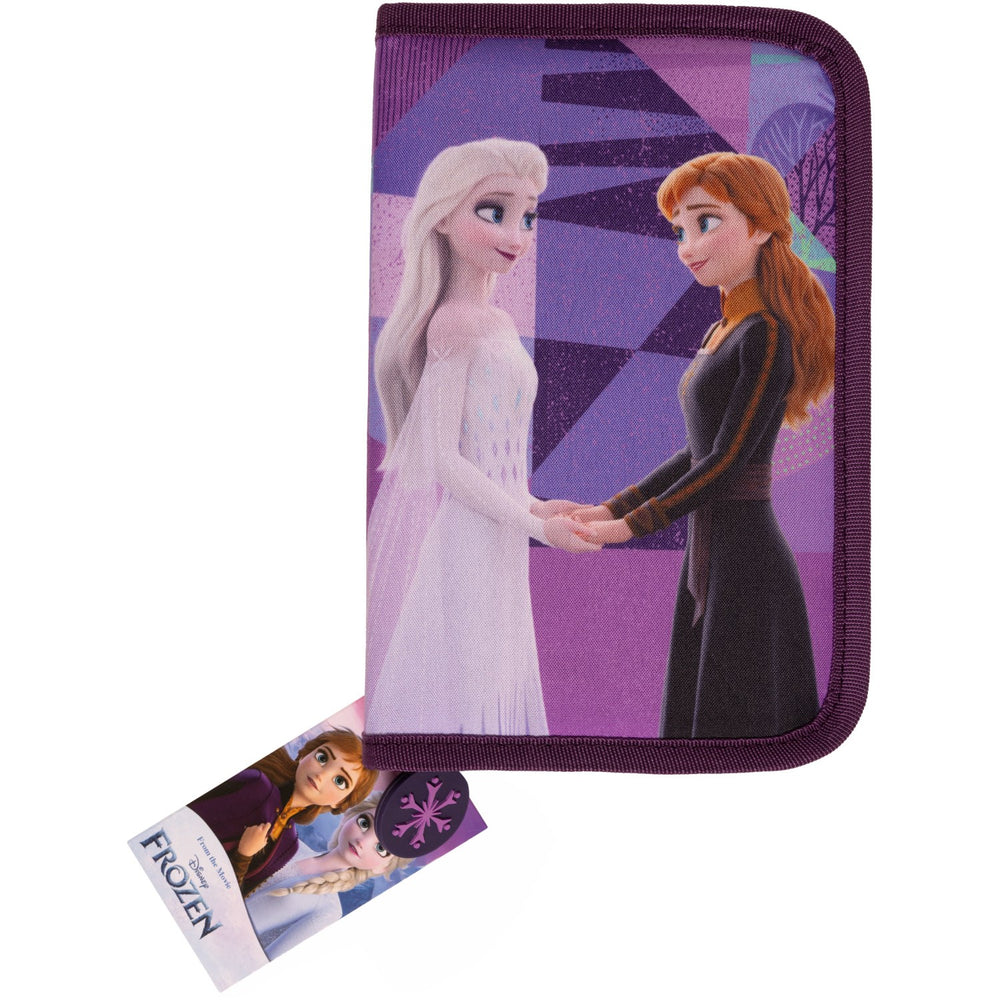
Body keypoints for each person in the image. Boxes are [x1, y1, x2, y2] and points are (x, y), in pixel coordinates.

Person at [574, 152, 835, 739]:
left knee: (737, 713)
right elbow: (699, 453)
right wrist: (613, 508)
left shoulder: (766, 333)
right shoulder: (723, 331)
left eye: (706, 222)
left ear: (761, 225)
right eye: (680, 231)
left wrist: (633, 525)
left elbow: (729, 460)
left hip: (747, 558)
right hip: (712, 550)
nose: (688, 247)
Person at [367, 137, 596, 737]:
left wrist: (536, 506)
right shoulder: (456, 323)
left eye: (528, 217)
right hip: (469, 537)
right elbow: (445, 460)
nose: (516, 235)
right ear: (442, 217)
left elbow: (490, 452)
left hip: (497, 531)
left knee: (487, 676)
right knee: (464, 682)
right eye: (493, 211)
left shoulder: (496, 321)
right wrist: (536, 526)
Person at [188, 729, 378, 895]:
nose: (322, 775)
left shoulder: (288, 844)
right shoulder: (256, 785)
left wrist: (243, 856)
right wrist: (242, 855)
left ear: (340, 803)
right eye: (322, 758)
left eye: (340, 781)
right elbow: (187, 820)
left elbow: (236, 896)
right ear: (305, 754)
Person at [245, 794, 412, 959]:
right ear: (348, 817)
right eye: (364, 823)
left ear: (383, 867)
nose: (362, 842)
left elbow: (267, 960)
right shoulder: (291, 843)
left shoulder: (329, 910)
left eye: (381, 848)